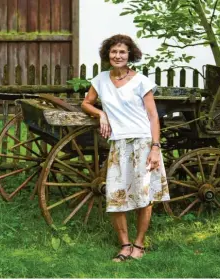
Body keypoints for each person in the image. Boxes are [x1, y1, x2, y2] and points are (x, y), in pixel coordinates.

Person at [81, 34, 170, 262]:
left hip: (142, 142)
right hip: (119, 145)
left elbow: (152, 116)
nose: (117, 56)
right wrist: (101, 113)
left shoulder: (141, 81)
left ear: (130, 55)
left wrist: (155, 147)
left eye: (122, 52)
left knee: (144, 195)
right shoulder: (100, 79)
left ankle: (139, 244)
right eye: (113, 52)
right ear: (107, 54)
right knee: (115, 195)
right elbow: (86, 103)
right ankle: (125, 245)